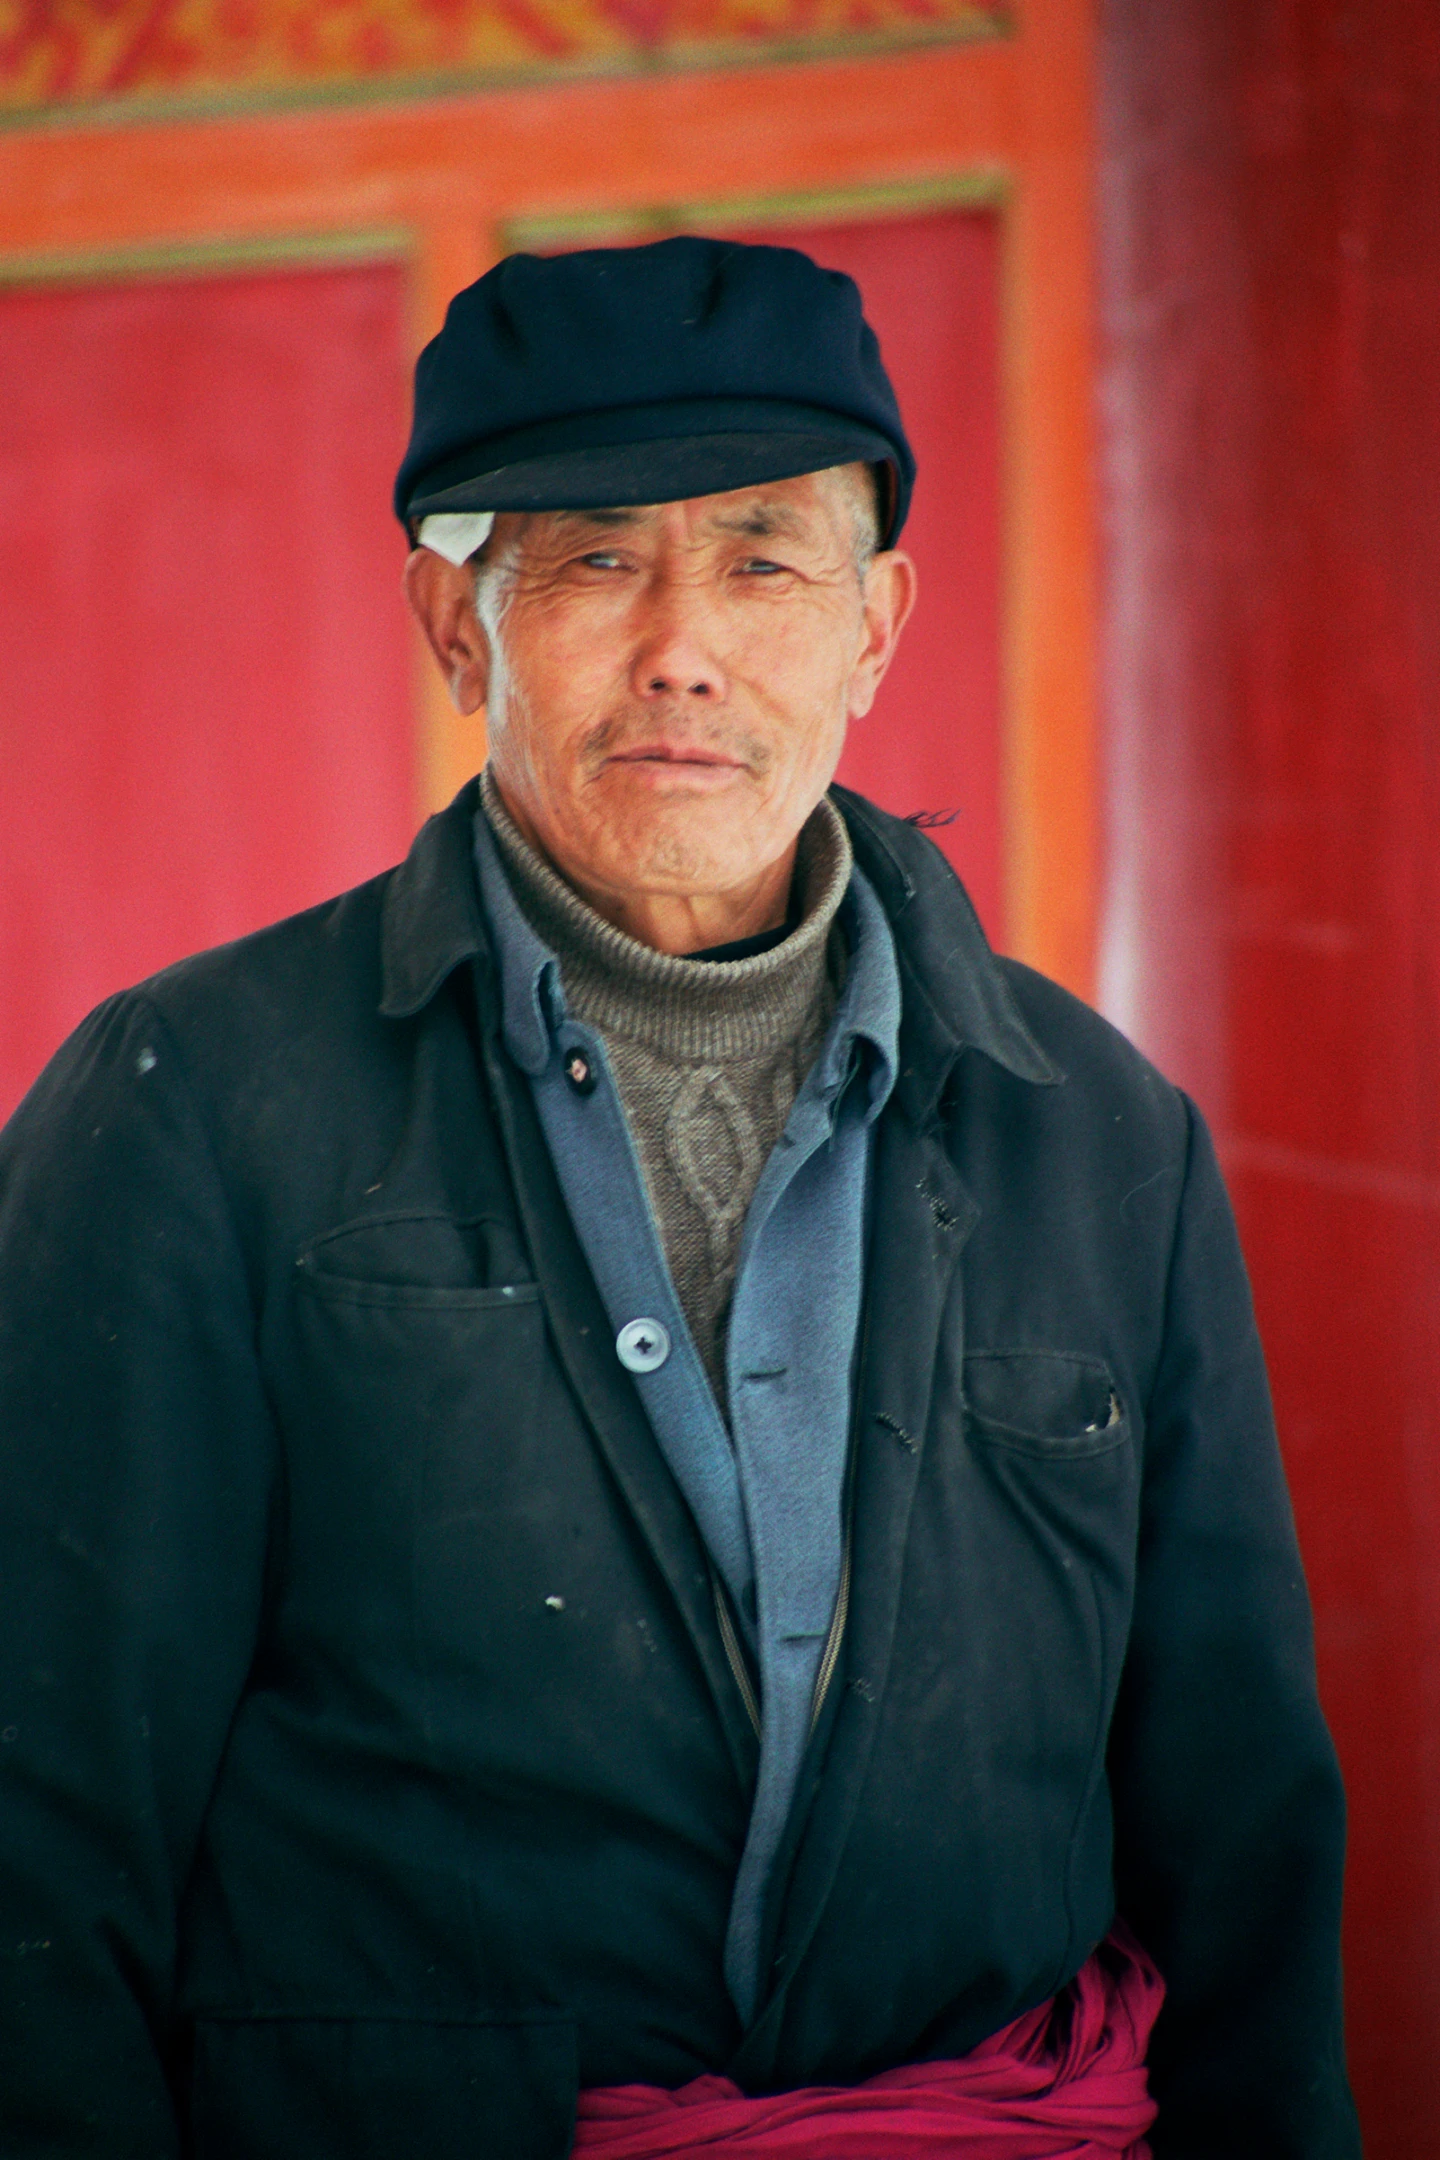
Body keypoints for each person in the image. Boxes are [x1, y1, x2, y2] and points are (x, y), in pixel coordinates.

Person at [0, 237, 1359, 2159]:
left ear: (875, 627)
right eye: (592, 561)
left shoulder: (1104, 1143)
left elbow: (1244, 1845)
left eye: (762, 559)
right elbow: (41, 1829)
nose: (682, 648)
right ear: (457, 626)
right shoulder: (193, 1108)